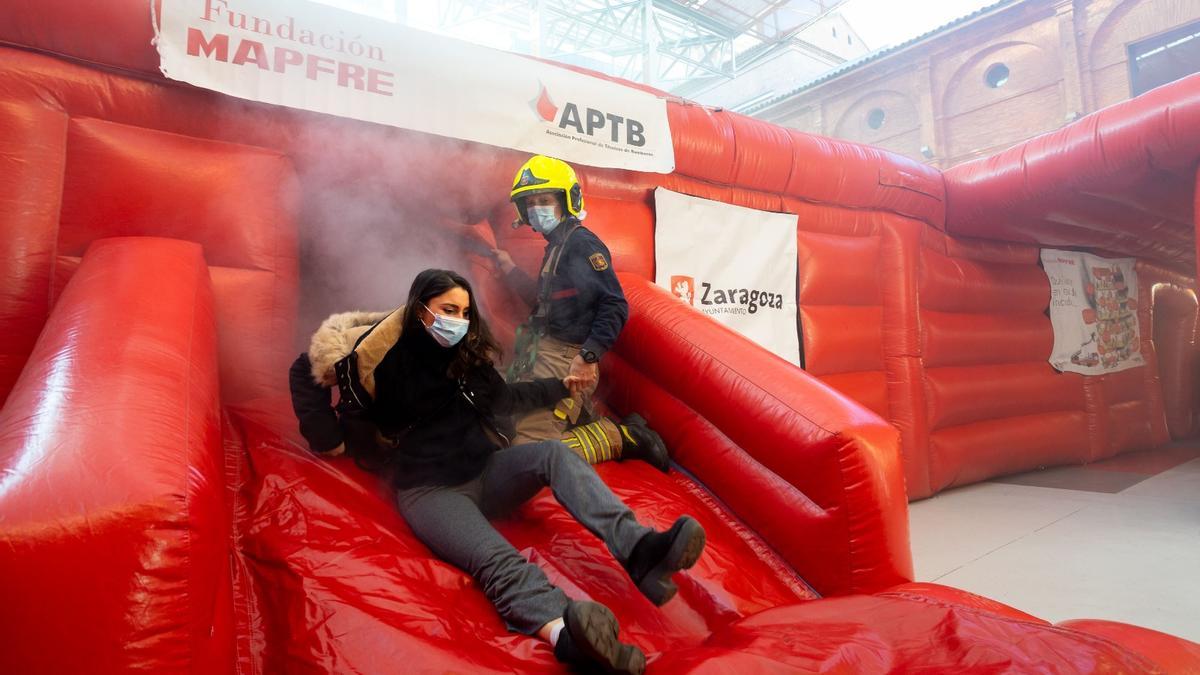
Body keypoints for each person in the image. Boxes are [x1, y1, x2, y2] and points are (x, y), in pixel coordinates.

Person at [289, 269, 706, 673]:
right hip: (433, 493)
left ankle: (640, 551)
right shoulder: (387, 366)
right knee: (498, 560)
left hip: (486, 472)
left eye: (464, 312)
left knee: (553, 455)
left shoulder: (468, 362)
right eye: (447, 309)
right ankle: (567, 634)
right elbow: (306, 369)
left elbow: (506, 397)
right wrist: (330, 439)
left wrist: (562, 387)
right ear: (420, 311)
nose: (457, 320)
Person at [493, 155, 669, 472]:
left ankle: (623, 436)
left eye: (544, 200)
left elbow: (614, 304)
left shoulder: (581, 244)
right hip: (542, 351)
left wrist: (587, 358)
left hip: (567, 360)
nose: (537, 209)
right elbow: (547, 300)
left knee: (525, 452)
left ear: (566, 201)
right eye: (530, 203)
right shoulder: (557, 246)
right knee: (499, 419)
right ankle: (581, 414)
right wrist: (509, 269)